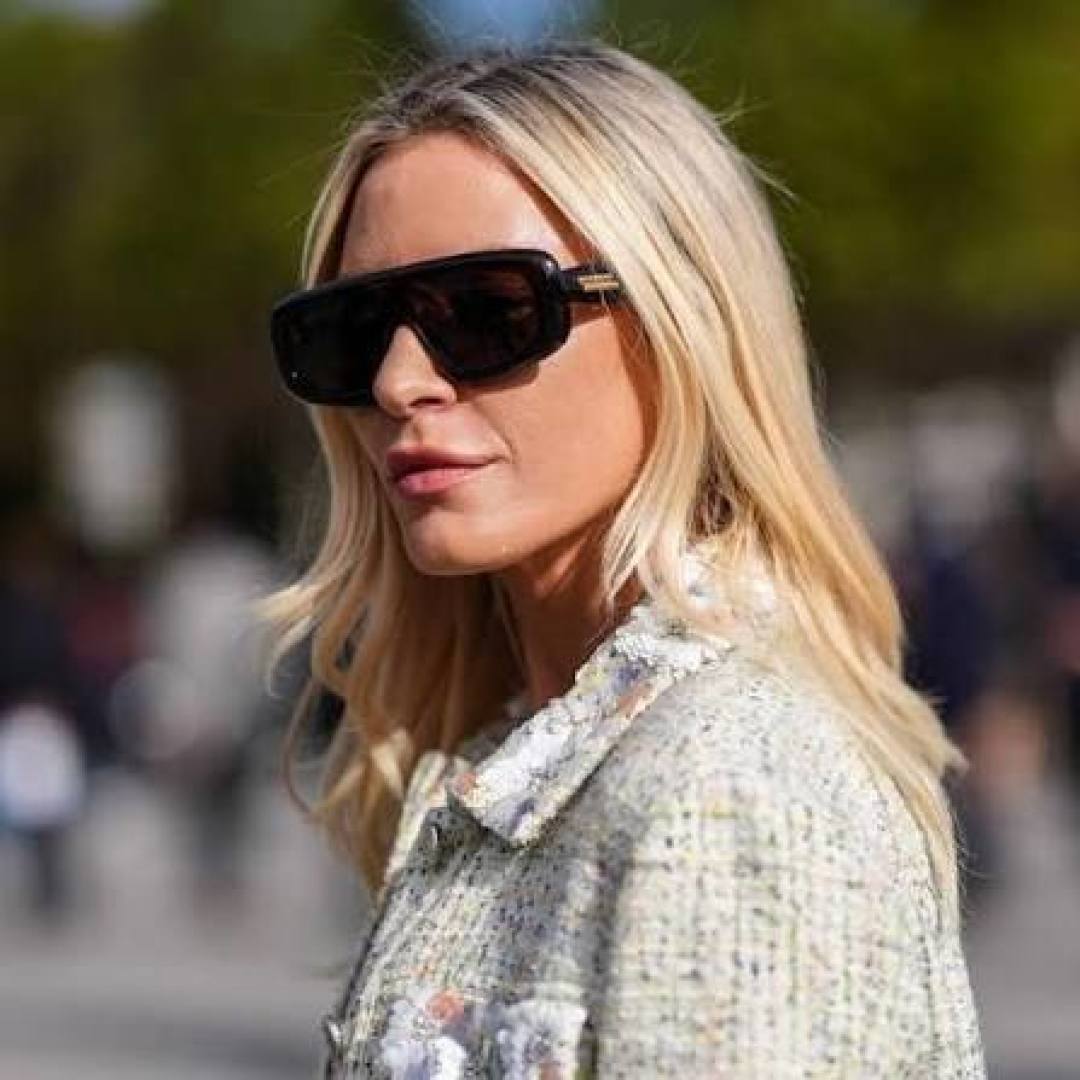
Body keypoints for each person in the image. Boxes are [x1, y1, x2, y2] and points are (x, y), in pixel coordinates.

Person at [260, 40, 987, 1078]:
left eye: (487, 312)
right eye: (354, 329)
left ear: (681, 320)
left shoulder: (731, 788)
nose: (397, 381)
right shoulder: (523, 756)